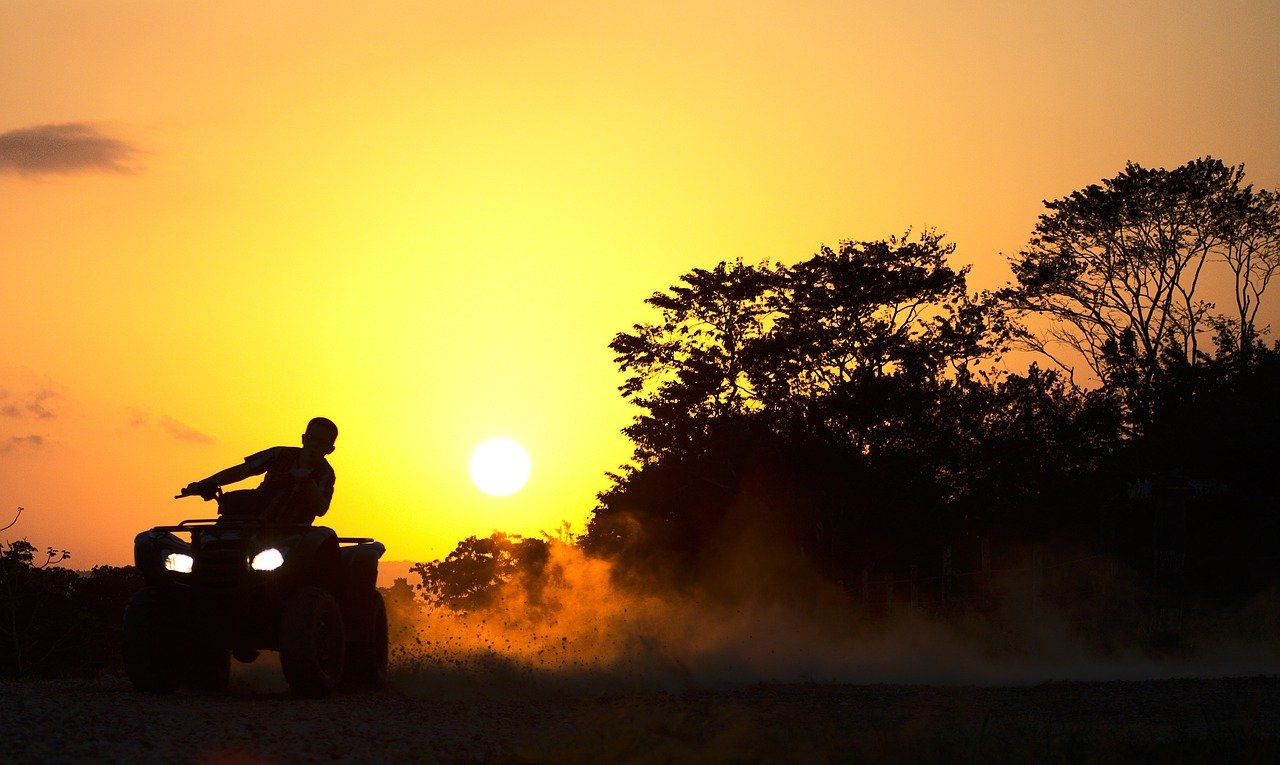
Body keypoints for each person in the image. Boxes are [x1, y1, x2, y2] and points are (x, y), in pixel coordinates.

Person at [182, 417, 338, 525]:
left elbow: (321, 509)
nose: (315, 445)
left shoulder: (326, 473)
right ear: (303, 439)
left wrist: (307, 481)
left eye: (321, 442)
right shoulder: (280, 454)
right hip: (251, 523)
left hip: (291, 535)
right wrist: (203, 484)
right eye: (312, 439)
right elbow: (243, 470)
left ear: (330, 449)